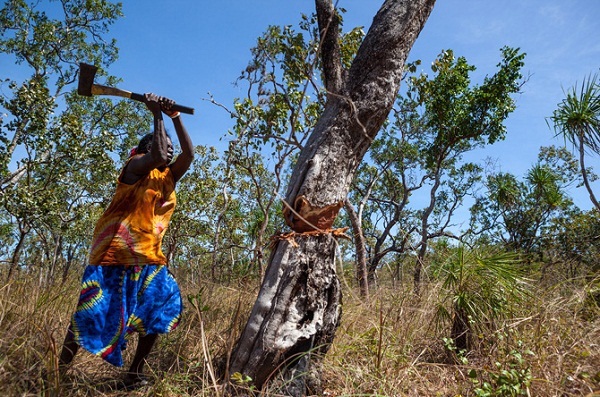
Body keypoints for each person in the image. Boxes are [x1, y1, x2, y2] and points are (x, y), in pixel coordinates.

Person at [58, 93, 194, 389]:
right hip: (115, 257)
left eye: (170, 147)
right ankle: (59, 373)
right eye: (164, 145)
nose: (169, 152)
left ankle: (133, 375)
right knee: (91, 314)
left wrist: (174, 117)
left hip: (149, 258)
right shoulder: (134, 168)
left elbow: (189, 155)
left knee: (159, 308)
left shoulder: (168, 178)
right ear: (145, 149)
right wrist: (155, 113)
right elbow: (157, 155)